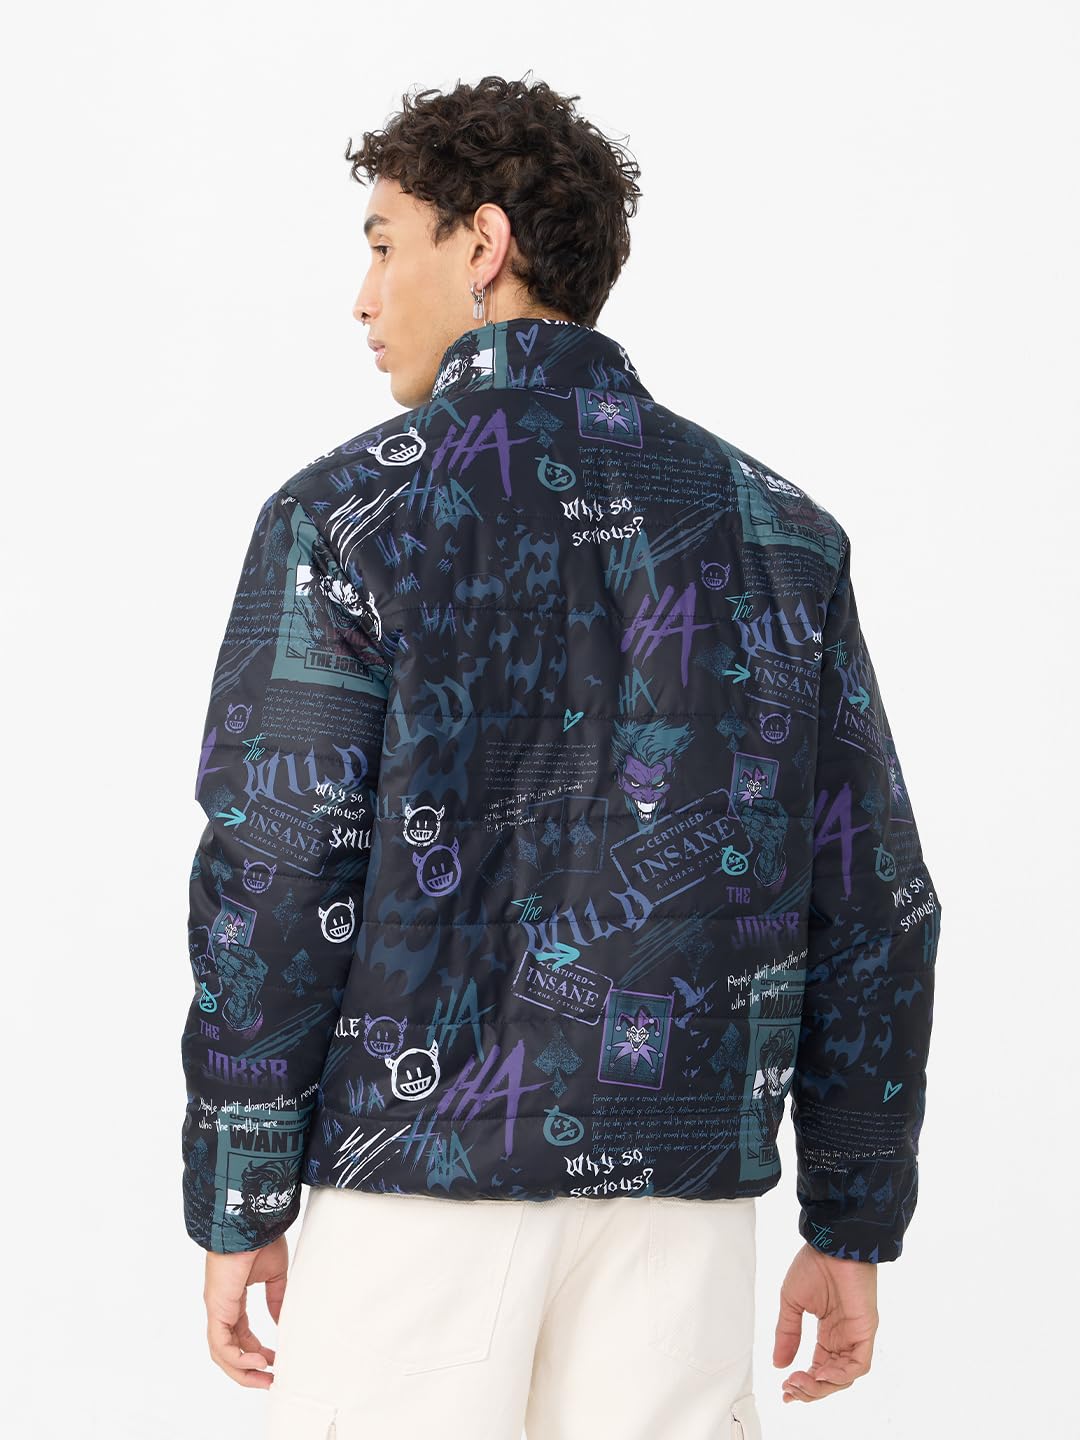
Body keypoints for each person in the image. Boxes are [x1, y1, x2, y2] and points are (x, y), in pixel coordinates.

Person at [180, 73, 943, 1440]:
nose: (362, 297)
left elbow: (278, 876)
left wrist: (241, 1186)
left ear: (482, 244)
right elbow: (874, 895)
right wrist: (851, 1213)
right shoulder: (779, 530)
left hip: (415, 1191)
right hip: (681, 1204)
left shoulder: (345, 519)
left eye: (383, 245)